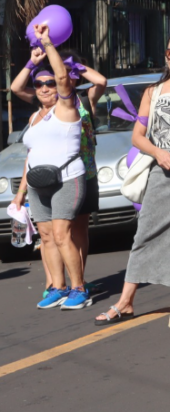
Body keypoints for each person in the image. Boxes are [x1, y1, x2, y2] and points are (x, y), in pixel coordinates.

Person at [94, 32, 170, 326]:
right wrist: (158, 153)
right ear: (166, 56)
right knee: (145, 233)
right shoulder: (152, 93)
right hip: (163, 173)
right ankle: (126, 300)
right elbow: (137, 137)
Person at [11, 47, 105, 298]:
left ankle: (78, 281)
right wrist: (32, 63)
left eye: (53, 79)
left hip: (81, 171)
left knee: (76, 230)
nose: (44, 87)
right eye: (42, 82)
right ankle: (55, 282)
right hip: (46, 175)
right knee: (50, 232)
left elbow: (101, 81)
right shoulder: (41, 106)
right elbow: (17, 89)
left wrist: (75, 66)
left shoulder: (80, 99)